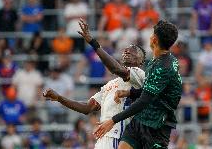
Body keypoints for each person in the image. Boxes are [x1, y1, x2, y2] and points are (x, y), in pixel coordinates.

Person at [44, 21, 146, 149]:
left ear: (141, 61)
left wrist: (93, 43)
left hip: (118, 136)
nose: (127, 52)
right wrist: (59, 98)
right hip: (104, 137)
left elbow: (115, 69)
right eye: (126, 50)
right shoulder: (110, 84)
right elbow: (87, 108)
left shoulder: (138, 74)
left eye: (132, 51)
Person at [93, 20, 182, 149]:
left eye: (152, 35)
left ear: (155, 40)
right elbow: (151, 90)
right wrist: (128, 93)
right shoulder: (159, 60)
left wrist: (113, 120)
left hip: (157, 125)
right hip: (140, 120)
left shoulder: (164, 66)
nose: (150, 37)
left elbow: (144, 100)